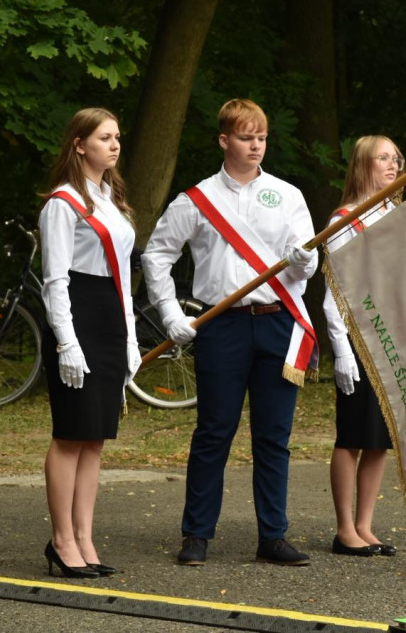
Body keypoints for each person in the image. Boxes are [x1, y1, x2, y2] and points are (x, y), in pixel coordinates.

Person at [142, 99, 319, 567]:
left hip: (278, 321)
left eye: (261, 137)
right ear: (224, 140)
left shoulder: (287, 195)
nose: (255, 145)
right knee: (214, 431)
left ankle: (273, 536)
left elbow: (306, 264)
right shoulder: (196, 199)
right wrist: (169, 312)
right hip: (221, 326)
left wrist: (305, 261)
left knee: (273, 436)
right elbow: (157, 255)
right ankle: (197, 534)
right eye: (245, 137)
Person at [37, 107, 141, 578]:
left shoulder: (111, 200)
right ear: (79, 145)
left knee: (95, 437)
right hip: (76, 316)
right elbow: (55, 281)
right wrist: (66, 342)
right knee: (70, 434)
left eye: (117, 137)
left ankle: (84, 537)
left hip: (109, 316)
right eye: (104, 137)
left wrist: (130, 338)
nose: (114, 145)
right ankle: (62, 540)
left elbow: (122, 280)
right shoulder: (62, 203)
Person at [322, 135, 403, 558]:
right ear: (362, 165)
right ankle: (344, 529)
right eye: (383, 158)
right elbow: (335, 292)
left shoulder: (395, 215)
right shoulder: (344, 220)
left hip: (391, 337)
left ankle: (365, 525)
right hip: (358, 337)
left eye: (396, 158)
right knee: (353, 435)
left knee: (379, 437)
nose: (393, 165)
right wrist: (341, 349)